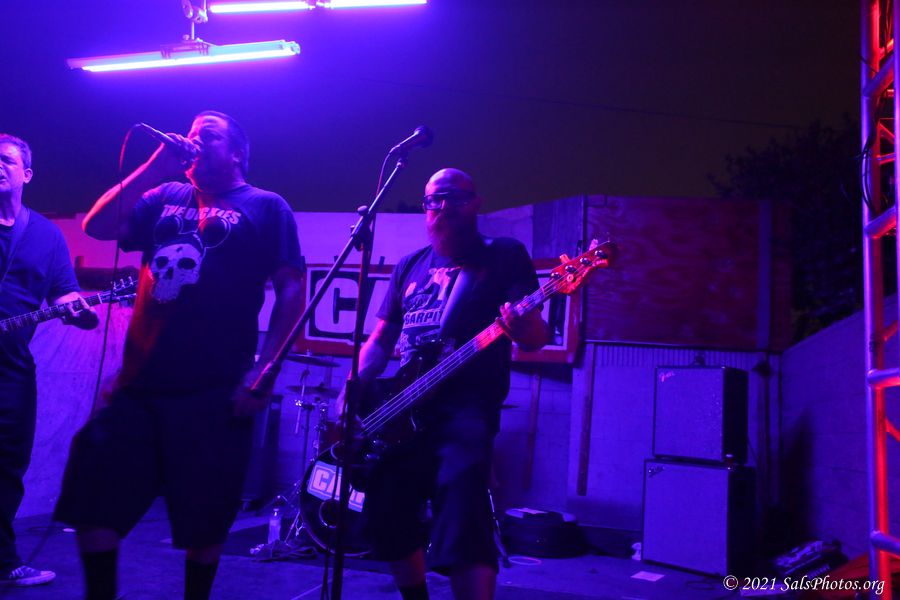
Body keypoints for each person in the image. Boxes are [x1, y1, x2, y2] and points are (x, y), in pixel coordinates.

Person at [54, 111, 305, 600]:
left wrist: (265, 371)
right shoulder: (163, 195)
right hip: (138, 386)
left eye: (208, 135)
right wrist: (156, 164)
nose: (193, 140)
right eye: (191, 134)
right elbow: (98, 225)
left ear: (237, 153)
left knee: (204, 523)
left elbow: (292, 289)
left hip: (214, 391)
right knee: (93, 501)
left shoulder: (266, 206)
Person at [352, 168, 549, 600]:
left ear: (474, 204)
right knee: (388, 514)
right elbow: (381, 339)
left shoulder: (503, 254)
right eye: (432, 200)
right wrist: (355, 386)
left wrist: (521, 326)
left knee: (464, 517)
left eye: (453, 198)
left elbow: (536, 335)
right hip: (401, 409)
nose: (441, 207)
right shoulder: (410, 266)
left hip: (466, 409)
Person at [0, 134, 99, 586]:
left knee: (7, 468)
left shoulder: (44, 234)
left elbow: (63, 292)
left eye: (5, 160)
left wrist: (78, 310)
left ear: (27, 174)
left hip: (11, 371)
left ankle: (3, 563)